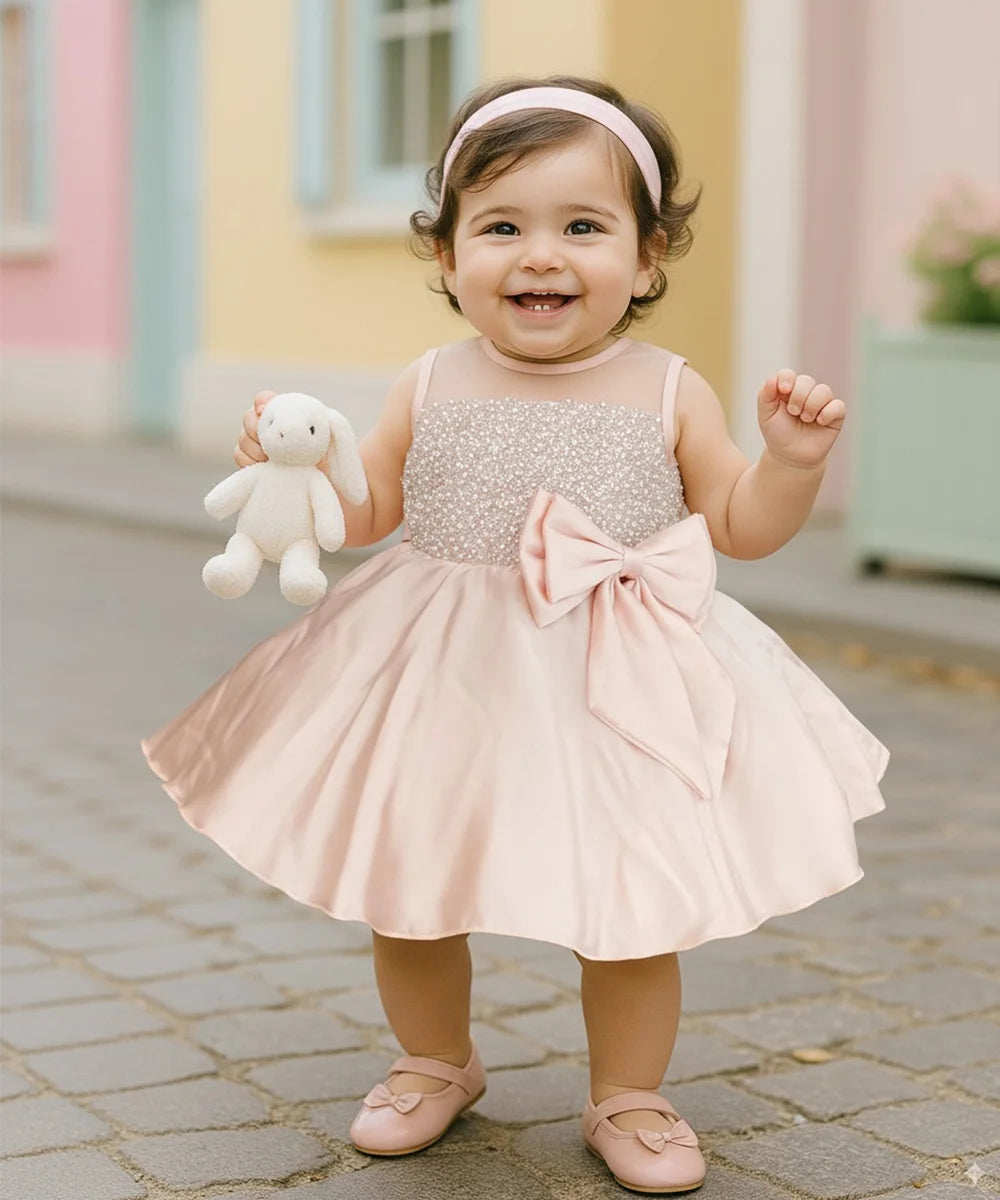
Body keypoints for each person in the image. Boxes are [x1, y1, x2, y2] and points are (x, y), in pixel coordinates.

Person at [142, 75, 889, 1194]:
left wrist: (786, 463)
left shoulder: (666, 388)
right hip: (444, 669)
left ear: (644, 260)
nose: (540, 255)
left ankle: (630, 1093)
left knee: (631, 895)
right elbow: (372, 512)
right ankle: (434, 1061)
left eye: (582, 227)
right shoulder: (429, 380)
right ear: (447, 258)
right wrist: (293, 478)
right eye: (500, 227)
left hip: (615, 672)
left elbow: (739, 526)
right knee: (414, 880)